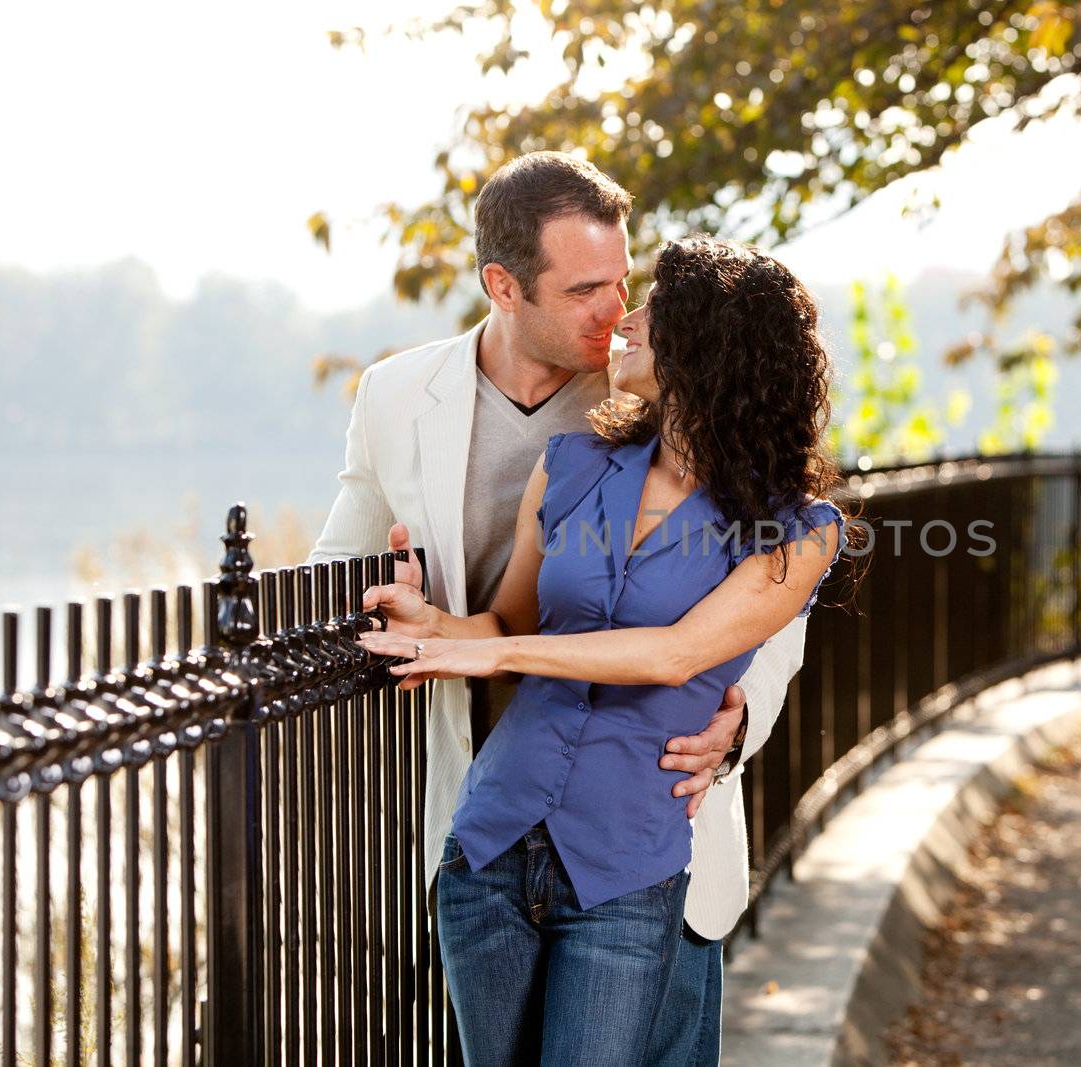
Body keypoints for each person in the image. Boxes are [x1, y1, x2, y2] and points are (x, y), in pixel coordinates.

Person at [307, 152, 809, 1062]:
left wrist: (735, 728)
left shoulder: (667, 391)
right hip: (495, 808)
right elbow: (348, 567)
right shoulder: (400, 398)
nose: (616, 314)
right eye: (586, 290)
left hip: (652, 821)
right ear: (504, 284)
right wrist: (408, 613)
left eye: (624, 283)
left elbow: (761, 622)